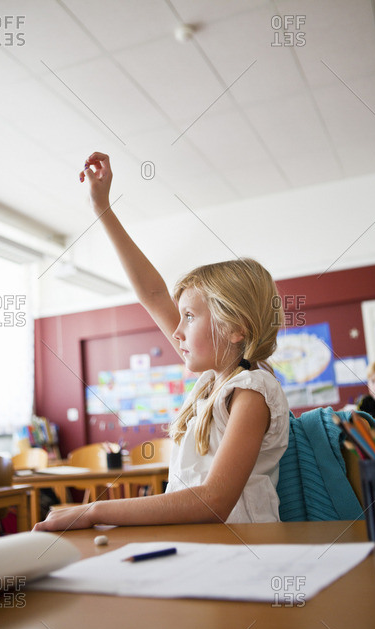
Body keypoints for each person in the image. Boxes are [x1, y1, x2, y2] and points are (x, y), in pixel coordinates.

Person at [33, 152, 289, 532]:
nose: (177, 331)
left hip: (242, 550)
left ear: (236, 328)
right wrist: (101, 207)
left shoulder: (251, 391)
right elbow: (153, 293)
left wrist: (94, 511)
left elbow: (214, 500)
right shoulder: (211, 383)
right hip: (202, 545)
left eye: (189, 317)